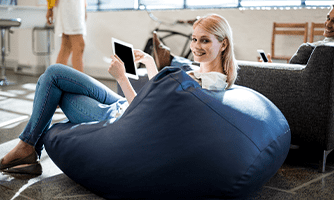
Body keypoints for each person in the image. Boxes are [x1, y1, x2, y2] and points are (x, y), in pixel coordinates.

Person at [0, 13, 238, 175]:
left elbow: (147, 116)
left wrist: (122, 78)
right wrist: (148, 62)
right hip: (126, 104)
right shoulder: (204, 75)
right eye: (195, 39)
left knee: (54, 82)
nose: (196, 46)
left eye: (204, 41)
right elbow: (160, 98)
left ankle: (28, 146)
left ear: (223, 44)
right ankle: (29, 148)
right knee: (53, 77)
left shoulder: (204, 85)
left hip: (126, 117)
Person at [263, 4, 334, 63]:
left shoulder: (308, 50)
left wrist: (270, 70)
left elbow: (289, 75)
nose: (328, 24)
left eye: (333, 21)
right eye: (328, 18)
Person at [46, 0, 87, 72]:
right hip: (69, 5)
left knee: (66, 45)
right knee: (79, 45)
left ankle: (56, 79)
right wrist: (50, 8)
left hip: (77, 5)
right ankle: (78, 82)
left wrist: (84, 7)